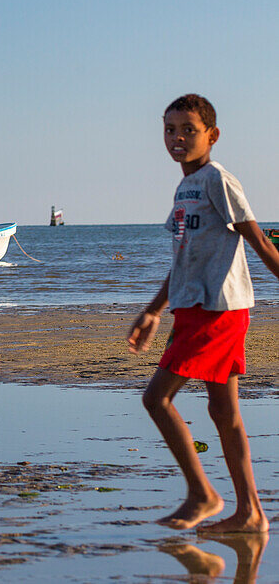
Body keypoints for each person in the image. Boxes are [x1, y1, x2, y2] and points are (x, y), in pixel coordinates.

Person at [127, 93, 279, 533]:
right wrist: (154, 311)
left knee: (157, 398)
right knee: (223, 412)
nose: (177, 139)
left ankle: (203, 494)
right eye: (170, 130)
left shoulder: (218, 180)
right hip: (192, 307)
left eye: (188, 130)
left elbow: (261, 242)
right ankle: (250, 513)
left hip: (219, 310)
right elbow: (182, 259)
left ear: (212, 135)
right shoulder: (183, 188)